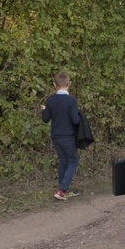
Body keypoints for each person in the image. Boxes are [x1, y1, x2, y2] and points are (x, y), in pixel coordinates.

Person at [41, 71, 81, 200]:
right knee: (74, 160)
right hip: (68, 136)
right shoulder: (71, 100)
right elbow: (75, 120)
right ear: (69, 84)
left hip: (56, 136)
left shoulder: (51, 100)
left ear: (54, 85)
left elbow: (46, 119)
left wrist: (43, 110)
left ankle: (65, 189)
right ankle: (62, 190)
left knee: (64, 161)